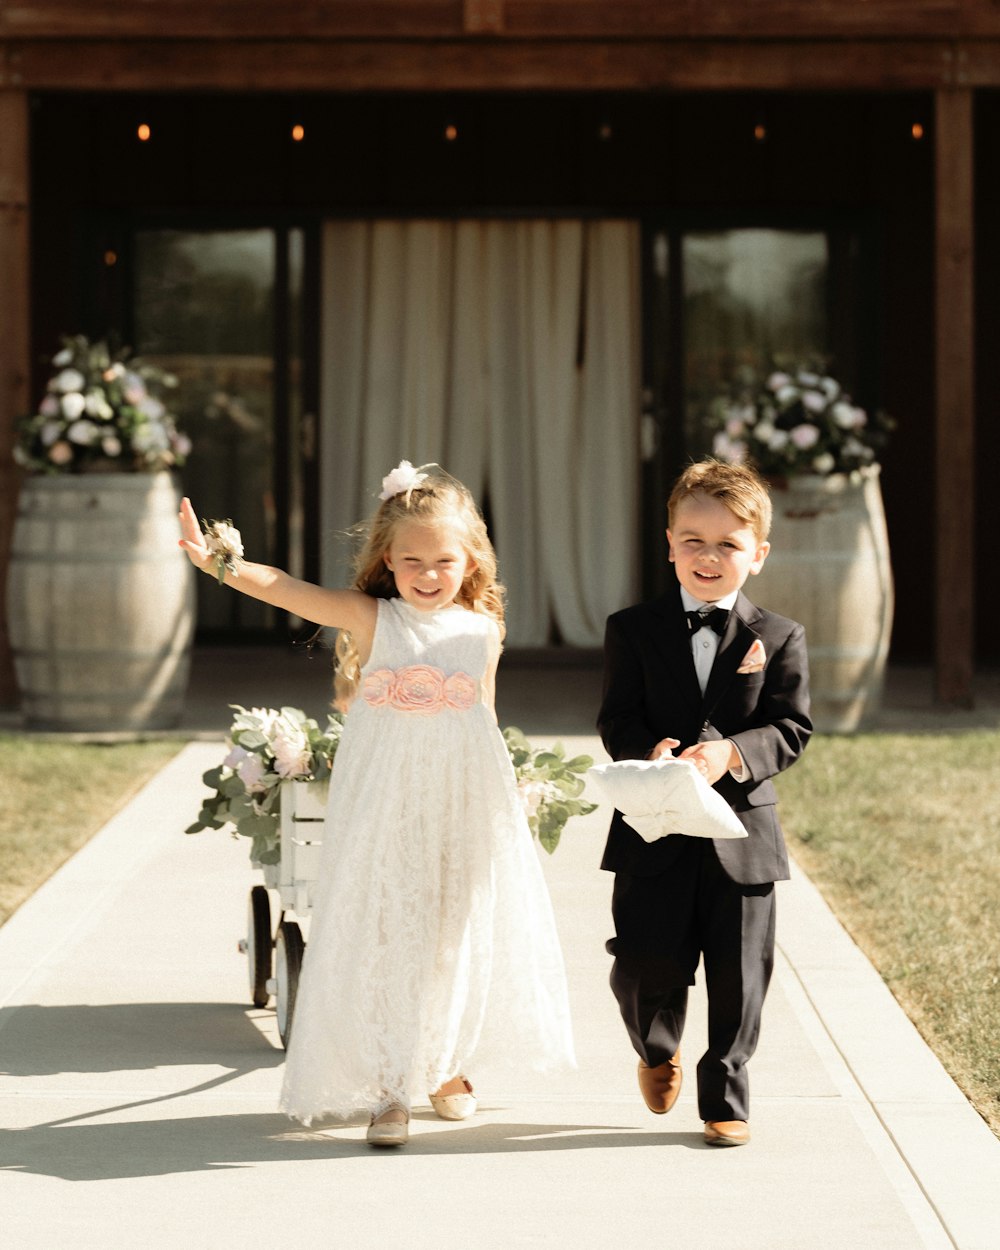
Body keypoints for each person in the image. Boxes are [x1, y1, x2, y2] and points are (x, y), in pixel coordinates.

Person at [179, 461, 574, 1146]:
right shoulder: (374, 616)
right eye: (412, 559)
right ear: (387, 560)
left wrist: (502, 798)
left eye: (444, 560)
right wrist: (218, 563)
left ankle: (445, 1067)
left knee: (451, 927)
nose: (428, 573)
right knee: (392, 927)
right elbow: (288, 590)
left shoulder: (483, 629)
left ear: (471, 558)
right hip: (388, 796)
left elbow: (484, 711)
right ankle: (390, 1087)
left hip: (460, 795)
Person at [597, 458, 811, 1148]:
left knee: (740, 971)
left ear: (758, 554)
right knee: (644, 961)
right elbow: (616, 717)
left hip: (741, 835)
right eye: (693, 540)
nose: (709, 557)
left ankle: (726, 1096)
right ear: (669, 544)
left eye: (727, 544)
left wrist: (732, 753)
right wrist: (647, 750)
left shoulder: (778, 637)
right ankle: (656, 1047)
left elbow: (791, 726)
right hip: (655, 828)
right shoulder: (631, 628)